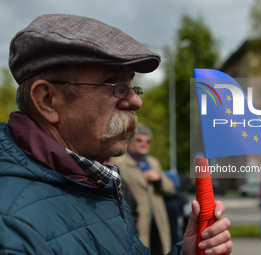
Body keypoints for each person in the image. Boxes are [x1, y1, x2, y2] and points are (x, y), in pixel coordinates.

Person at [0, 14, 233, 255]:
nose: (135, 101)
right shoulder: (12, 225)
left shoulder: (94, 181)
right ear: (48, 101)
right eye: (113, 84)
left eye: (131, 85)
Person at [115, 124, 174, 254]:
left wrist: (158, 179)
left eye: (147, 141)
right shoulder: (119, 162)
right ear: (130, 142)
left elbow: (170, 188)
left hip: (158, 221)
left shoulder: (154, 162)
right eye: (139, 140)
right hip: (137, 222)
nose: (144, 144)